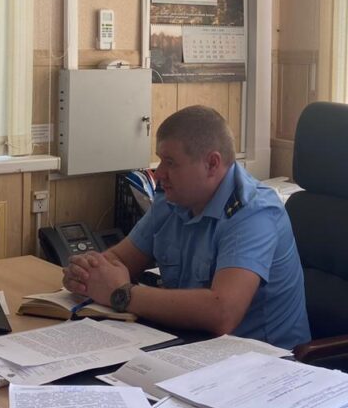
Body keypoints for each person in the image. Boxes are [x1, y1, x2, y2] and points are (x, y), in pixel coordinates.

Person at [62, 105, 310, 350]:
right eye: (160, 160)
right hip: (190, 346)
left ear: (212, 164)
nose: (159, 173)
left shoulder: (252, 213)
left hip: (262, 362)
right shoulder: (173, 199)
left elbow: (222, 312)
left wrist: (123, 293)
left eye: (170, 162)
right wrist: (86, 274)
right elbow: (119, 260)